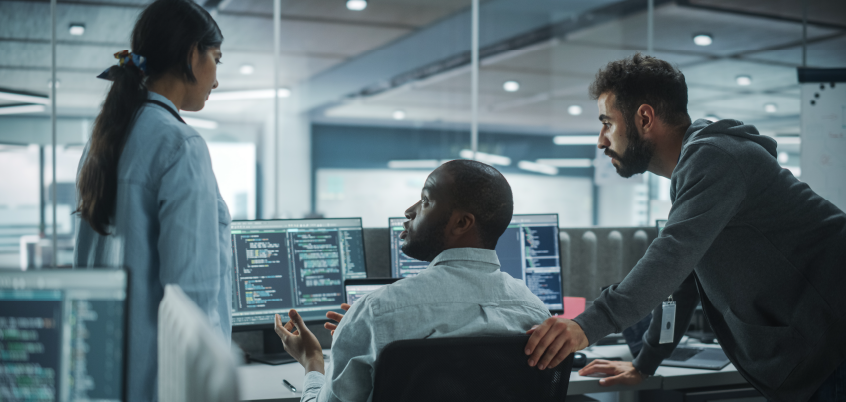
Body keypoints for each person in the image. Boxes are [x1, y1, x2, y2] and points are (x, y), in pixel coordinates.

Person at [523, 53, 846, 402]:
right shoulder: (697, 168)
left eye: (608, 123)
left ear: (644, 118)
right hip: (818, 346)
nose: (601, 140)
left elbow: (670, 257)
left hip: (832, 344)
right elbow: (683, 280)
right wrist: (645, 363)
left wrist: (584, 326)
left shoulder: (717, 158)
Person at [274, 160, 552, 402]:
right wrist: (360, 336)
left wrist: (313, 362)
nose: (410, 210)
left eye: (426, 201)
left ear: (461, 223)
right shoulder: (536, 313)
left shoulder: (376, 312)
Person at [73, 1, 229, 400]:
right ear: (192, 54)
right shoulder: (180, 144)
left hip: (102, 376)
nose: (216, 79)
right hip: (162, 383)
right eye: (216, 59)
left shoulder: (103, 141)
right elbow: (191, 302)